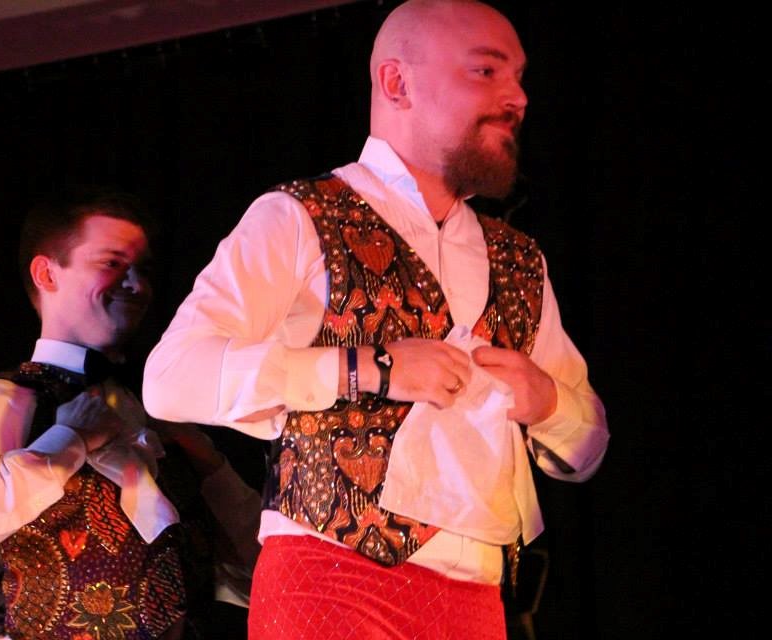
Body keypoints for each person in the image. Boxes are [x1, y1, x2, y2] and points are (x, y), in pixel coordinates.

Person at [141, 1, 609, 638]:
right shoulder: (301, 216)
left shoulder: (519, 260)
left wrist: (548, 401)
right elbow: (172, 377)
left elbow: (587, 447)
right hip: (331, 581)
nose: (517, 97)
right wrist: (368, 368)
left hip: (478, 598)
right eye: (486, 71)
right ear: (397, 82)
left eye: (519, 77)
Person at [0, 187, 260, 640]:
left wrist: (210, 466)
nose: (137, 285)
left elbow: (259, 576)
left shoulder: (161, 421)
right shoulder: (2, 401)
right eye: (112, 263)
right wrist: (67, 441)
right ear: (47, 273)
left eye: (142, 270)